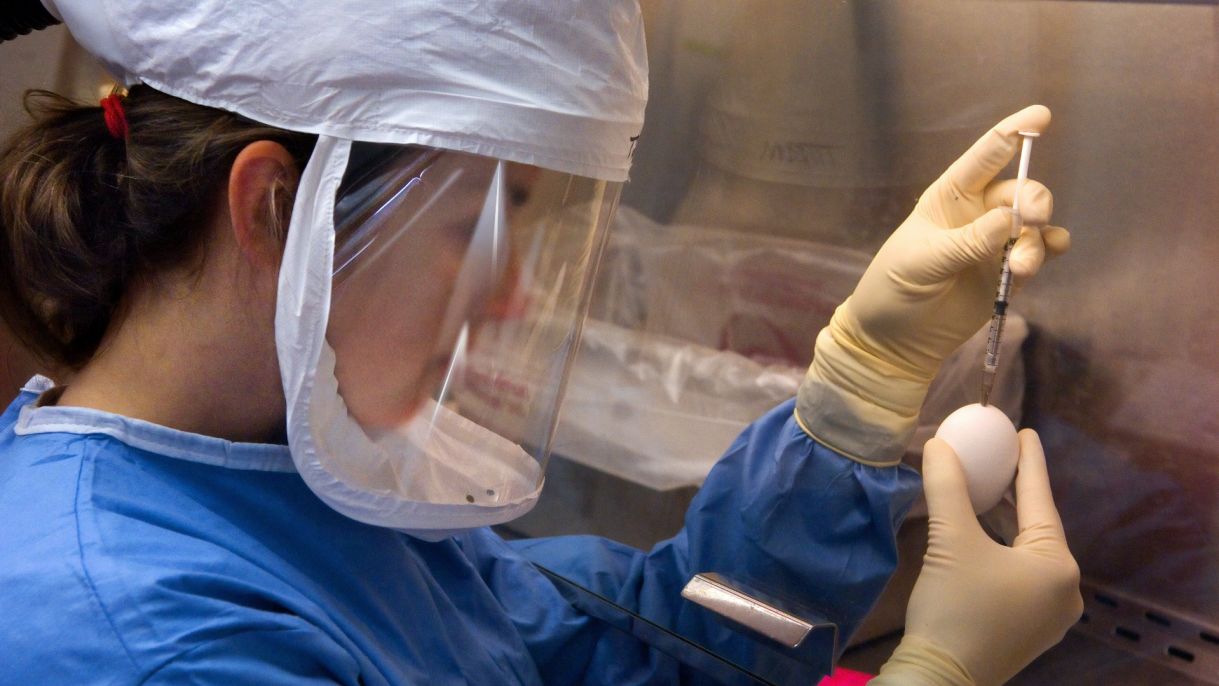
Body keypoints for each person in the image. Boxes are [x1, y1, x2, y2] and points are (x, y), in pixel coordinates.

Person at [0, 1, 1081, 684]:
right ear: (278, 211)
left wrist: (855, 391)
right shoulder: (135, 637)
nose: (511, 298)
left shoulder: (307, 482)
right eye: (478, 224)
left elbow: (642, 649)